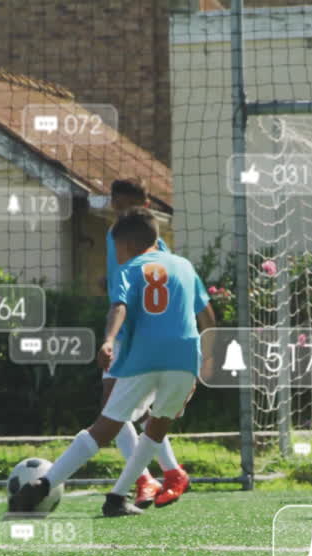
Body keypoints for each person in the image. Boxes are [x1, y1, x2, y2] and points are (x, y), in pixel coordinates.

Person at [35, 209, 215, 517]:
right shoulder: (184, 266)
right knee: (156, 427)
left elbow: (118, 307)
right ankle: (122, 494)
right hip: (185, 358)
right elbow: (207, 316)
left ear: (126, 246)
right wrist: (208, 358)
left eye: (115, 247)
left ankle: (41, 487)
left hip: (140, 357)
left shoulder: (129, 269)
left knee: (106, 425)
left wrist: (108, 340)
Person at [101, 179, 191, 508]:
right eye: (121, 205)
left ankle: (150, 477)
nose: (128, 212)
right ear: (113, 204)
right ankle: (166, 473)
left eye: (135, 206)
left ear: (147, 205)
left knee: (116, 408)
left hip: (139, 335)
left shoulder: (154, 245)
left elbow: (161, 280)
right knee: (124, 410)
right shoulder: (116, 235)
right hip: (125, 333)